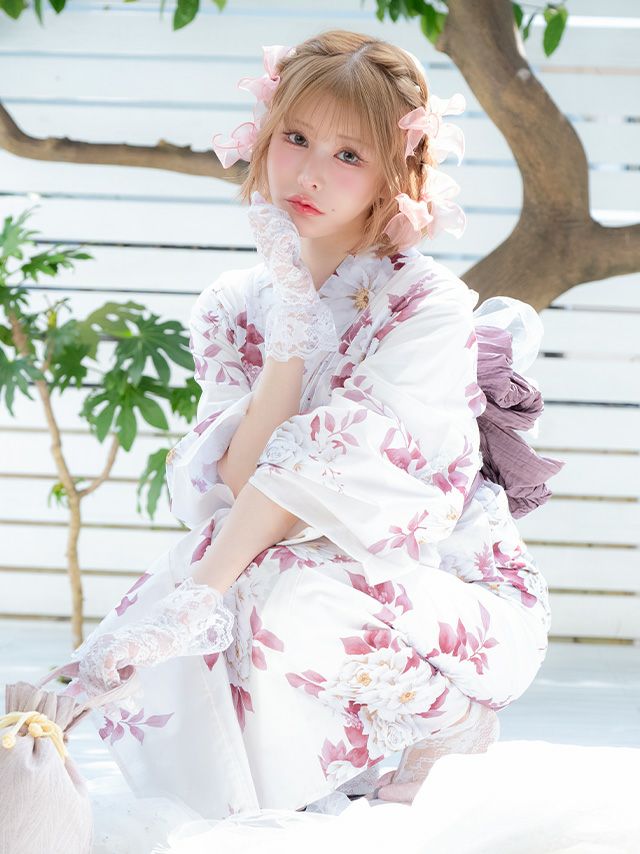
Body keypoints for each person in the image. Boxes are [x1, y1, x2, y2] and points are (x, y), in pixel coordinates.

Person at [66, 29, 557, 822]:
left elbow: (317, 482)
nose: (309, 173)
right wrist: (290, 321)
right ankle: (276, 805)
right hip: (287, 568)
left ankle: (450, 718)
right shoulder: (235, 303)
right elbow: (237, 485)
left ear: (396, 174)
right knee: (230, 588)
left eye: (349, 155)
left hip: (449, 597)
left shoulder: (426, 306)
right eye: (295, 137)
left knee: (258, 590)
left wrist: (197, 596)